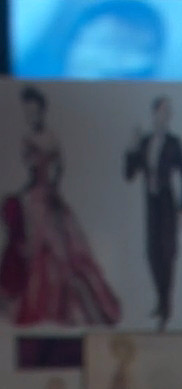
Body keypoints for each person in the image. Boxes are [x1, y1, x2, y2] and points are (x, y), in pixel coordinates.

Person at [4, 85, 121, 327]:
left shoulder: (51, 138)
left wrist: (51, 192)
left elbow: (58, 170)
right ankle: (41, 310)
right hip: (34, 202)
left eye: (34, 111)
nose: (31, 116)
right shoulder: (26, 139)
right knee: (38, 255)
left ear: (42, 111)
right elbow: (30, 175)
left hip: (49, 201)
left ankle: (67, 311)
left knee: (64, 255)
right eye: (28, 112)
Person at [124, 94, 182, 330]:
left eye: (168, 112)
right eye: (162, 111)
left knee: (167, 254)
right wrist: (131, 148)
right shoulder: (145, 142)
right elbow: (129, 174)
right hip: (151, 204)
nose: (166, 116)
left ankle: (166, 306)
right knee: (152, 253)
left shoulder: (174, 143)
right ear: (154, 114)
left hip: (167, 203)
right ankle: (161, 301)